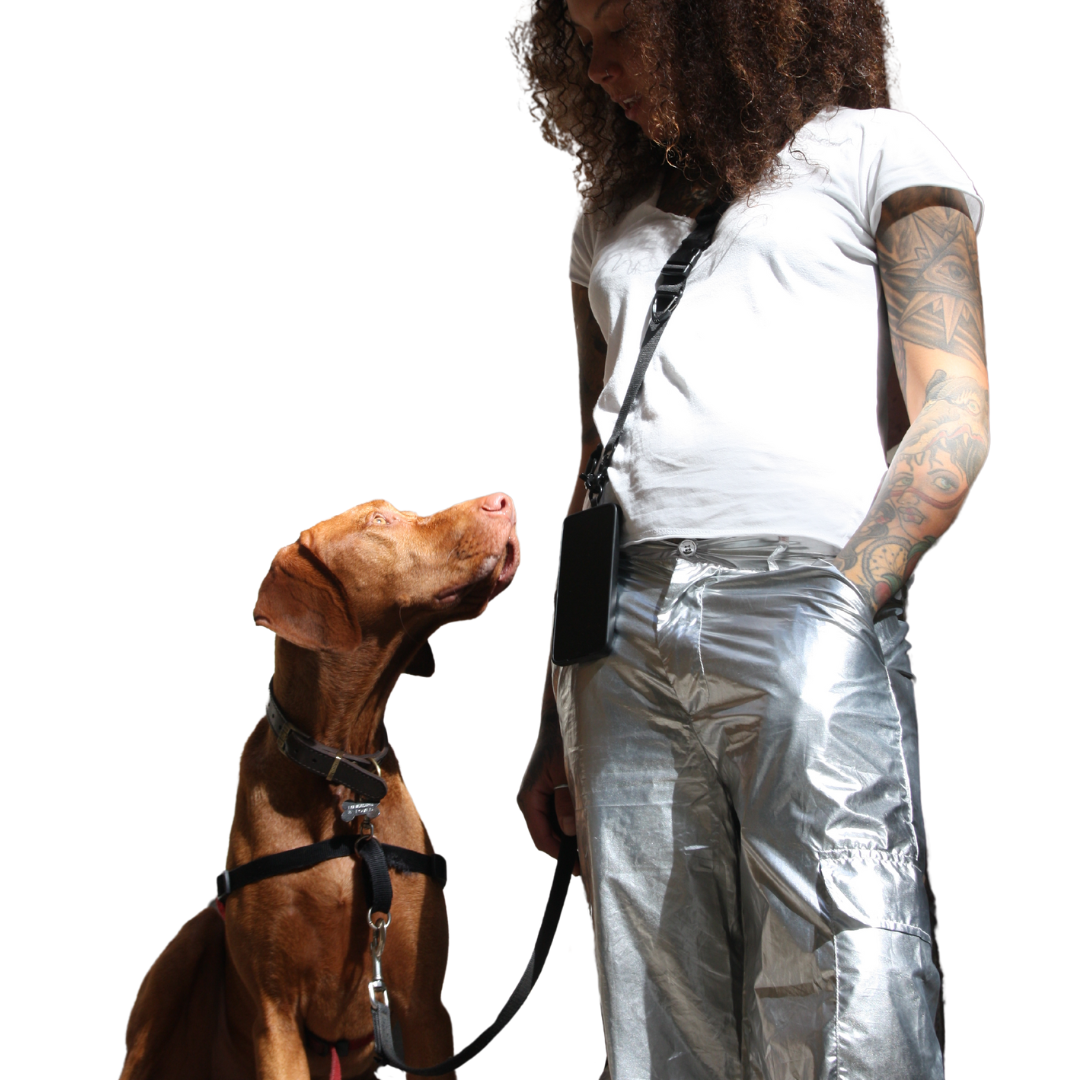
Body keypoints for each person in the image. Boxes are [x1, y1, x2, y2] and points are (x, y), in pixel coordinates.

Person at [513, 1, 988, 1078]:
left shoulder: (878, 152)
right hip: (620, 634)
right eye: (578, 38)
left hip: (806, 597)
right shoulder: (608, 217)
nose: (597, 63)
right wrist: (552, 714)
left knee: (849, 973)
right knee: (656, 995)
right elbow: (592, 467)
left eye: (622, 26)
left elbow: (954, 409)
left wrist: (846, 601)